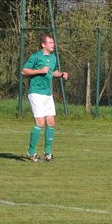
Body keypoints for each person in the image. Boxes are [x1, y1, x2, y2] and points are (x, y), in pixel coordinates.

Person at [21, 34, 69, 162]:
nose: (53, 44)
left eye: (53, 42)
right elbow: (24, 71)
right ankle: (31, 152)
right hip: (36, 93)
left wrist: (61, 74)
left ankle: (48, 153)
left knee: (51, 122)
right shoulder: (36, 57)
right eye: (50, 42)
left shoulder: (53, 58)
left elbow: (52, 72)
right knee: (40, 123)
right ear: (43, 45)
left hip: (48, 94)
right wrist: (39, 71)